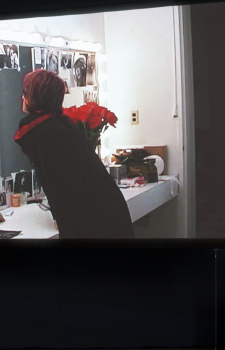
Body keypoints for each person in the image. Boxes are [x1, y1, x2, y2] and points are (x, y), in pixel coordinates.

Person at [13, 70, 134, 239]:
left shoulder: (37, 129)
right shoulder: (63, 124)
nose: (22, 97)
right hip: (109, 208)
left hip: (90, 220)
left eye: (25, 92)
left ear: (35, 96)